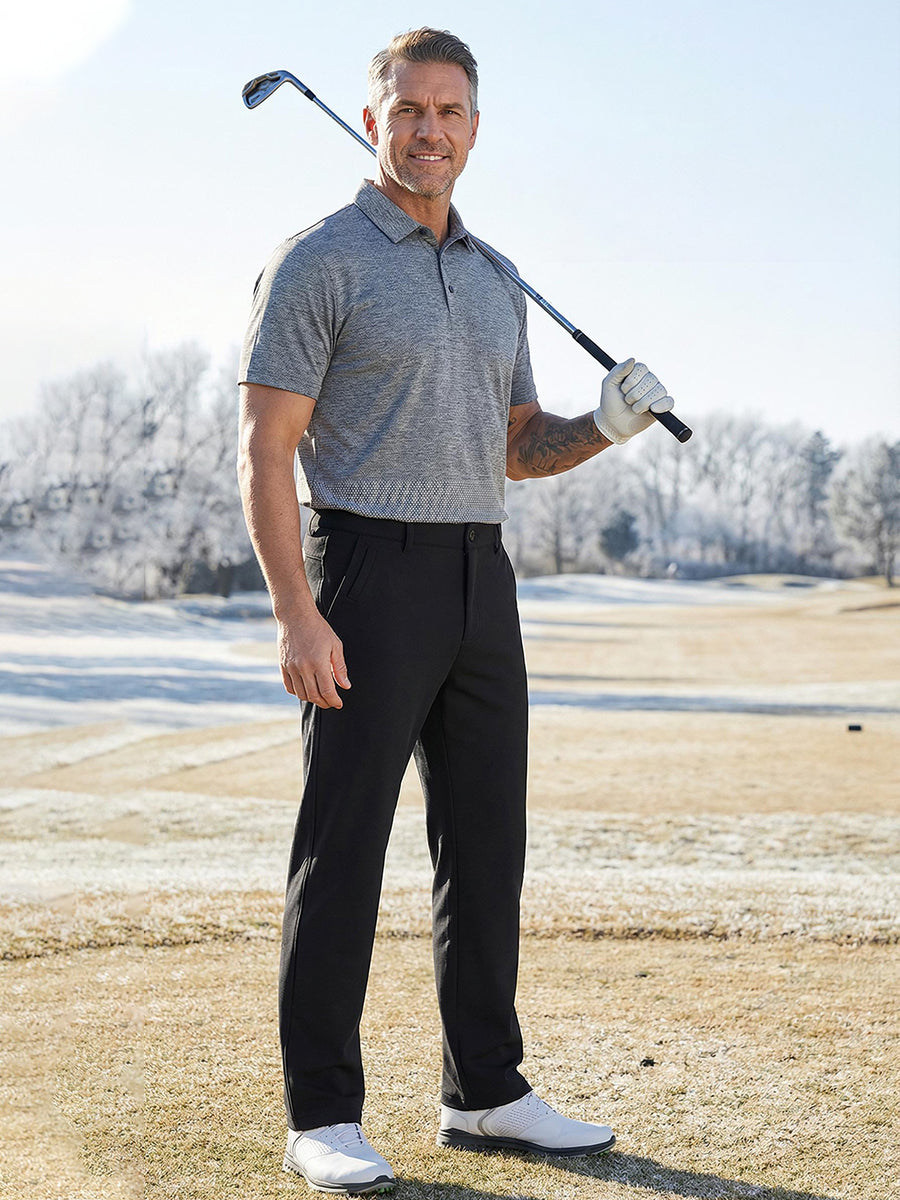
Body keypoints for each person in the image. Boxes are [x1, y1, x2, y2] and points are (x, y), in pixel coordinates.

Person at [237, 28, 674, 1196]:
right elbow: (266, 450)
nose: (429, 130)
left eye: (450, 111)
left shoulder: (494, 276)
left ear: (475, 127)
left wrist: (607, 426)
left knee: (486, 846)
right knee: (342, 848)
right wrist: (296, 614)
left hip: (483, 572)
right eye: (409, 110)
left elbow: (517, 445)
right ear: (372, 120)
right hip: (364, 570)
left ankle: (485, 1089)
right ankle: (323, 1114)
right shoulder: (316, 261)